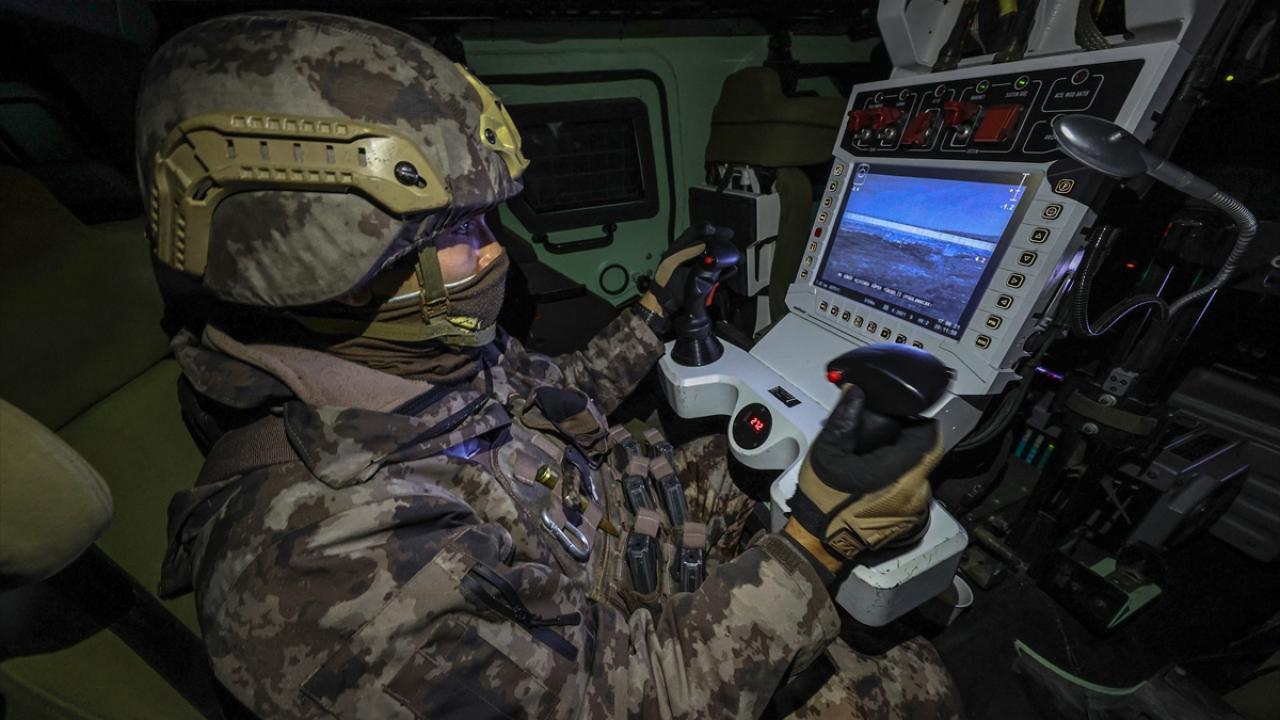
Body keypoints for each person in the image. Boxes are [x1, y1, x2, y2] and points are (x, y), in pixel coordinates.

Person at [141, 11, 963, 719]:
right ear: (333, 272)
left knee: (758, 455)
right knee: (912, 684)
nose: (494, 251)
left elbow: (546, 396)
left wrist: (653, 308)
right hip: (620, 646)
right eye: (457, 233)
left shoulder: (405, 347)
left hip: (623, 516)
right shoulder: (317, 577)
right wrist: (817, 547)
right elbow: (616, 698)